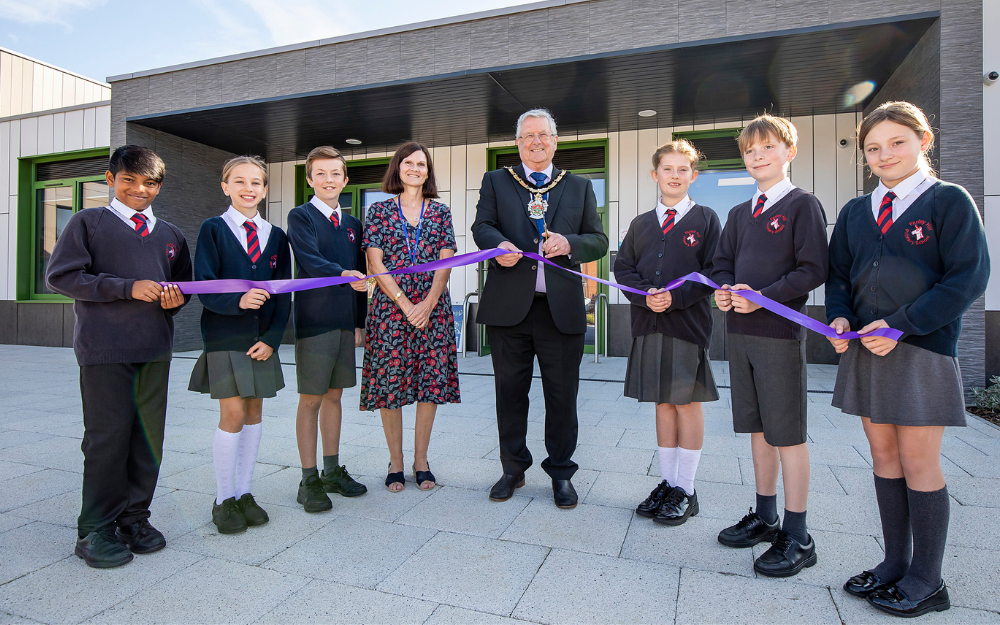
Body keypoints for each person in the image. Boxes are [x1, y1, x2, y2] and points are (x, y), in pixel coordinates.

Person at [827, 101, 989, 618]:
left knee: (919, 461)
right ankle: (894, 563)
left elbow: (967, 278)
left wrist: (903, 326)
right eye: (873, 147)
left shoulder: (949, 201)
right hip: (865, 351)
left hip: (920, 349)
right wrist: (840, 320)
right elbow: (838, 278)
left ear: (924, 141)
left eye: (897, 142)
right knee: (884, 458)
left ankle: (928, 579)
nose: (884, 154)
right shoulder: (855, 212)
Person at [46, 145, 191, 568]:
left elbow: (182, 288)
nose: (138, 189)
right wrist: (126, 287)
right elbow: (63, 276)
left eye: (149, 183)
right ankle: (95, 529)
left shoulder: (171, 235)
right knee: (107, 438)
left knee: (147, 439)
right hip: (104, 349)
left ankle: (134, 519)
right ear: (110, 179)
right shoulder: (87, 223)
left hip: (154, 349)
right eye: (128, 180)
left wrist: (172, 301)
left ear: (159, 187)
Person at [471, 108, 609, 509]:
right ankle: (513, 469)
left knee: (562, 397)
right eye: (527, 136)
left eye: (543, 135)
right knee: (509, 394)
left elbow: (597, 240)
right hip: (509, 310)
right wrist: (498, 246)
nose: (536, 142)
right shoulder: (497, 180)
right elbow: (482, 226)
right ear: (517, 143)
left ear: (555, 140)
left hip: (560, 309)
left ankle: (561, 472)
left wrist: (571, 244)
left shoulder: (579, 186)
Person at [712, 114, 829, 577]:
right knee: (758, 430)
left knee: (787, 433)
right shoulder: (741, 213)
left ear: (788, 152)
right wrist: (723, 289)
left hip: (779, 336)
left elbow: (812, 268)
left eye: (767, 147)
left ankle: (798, 534)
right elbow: (722, 264)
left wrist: (766, 297)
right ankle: (765, 515)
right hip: (739, 336)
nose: (757, 156)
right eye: (750, 151)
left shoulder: (803, 205)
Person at [614, 140, 721, 526]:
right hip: (649, 323)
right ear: (655, 174)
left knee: (686, 403)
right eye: (667, 169)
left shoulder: (706, 219)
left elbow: (713, 271)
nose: (674, 176)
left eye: (682, 170)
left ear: (693, 175)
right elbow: (623, 269)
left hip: (686, 325)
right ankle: (667, 481)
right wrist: (646, 296)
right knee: (662, 402)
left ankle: (687, 490)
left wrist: (674, 299)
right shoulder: (641, 224)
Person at [188, 155, 291, 534]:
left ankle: (245, 492)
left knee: (254, 413)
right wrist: (237, 302)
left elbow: (283, 295)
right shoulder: (213, 229)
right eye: (240, 181)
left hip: (261, 342)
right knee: (231, 415)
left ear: (265, 189)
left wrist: (272, 340)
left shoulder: (277, 237)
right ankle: (223, 498)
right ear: (225, 186)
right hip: (225, 337)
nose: (249, 189)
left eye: (256, 183)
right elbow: (204, 284)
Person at [361, 141, 460, 492]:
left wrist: (428, 304)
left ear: (428, 171)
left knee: (429, 385)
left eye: (421, 163)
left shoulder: (441, 212)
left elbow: (446, 262)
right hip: (391, 310)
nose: (415, 168)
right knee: (391, 385)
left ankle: (421, 461)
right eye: (408, 162)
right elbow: (375, 262)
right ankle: (396, 462)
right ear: (397, 168)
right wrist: (406, 305)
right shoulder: (378, 211)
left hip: (433, 311)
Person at [286, 147, 369, 513]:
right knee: (311, 399)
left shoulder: (353, 226)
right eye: (320, 174)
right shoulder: (300, 216)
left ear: (345, 180)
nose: (328, 180)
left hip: (343, 322)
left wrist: (359, 322)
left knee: (335, 397)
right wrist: (341, 274)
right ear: (309, 180)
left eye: (335, 173)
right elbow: (310, 260)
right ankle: (308, 479)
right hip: (315, 320)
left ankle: (333, 471)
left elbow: (362, 276)